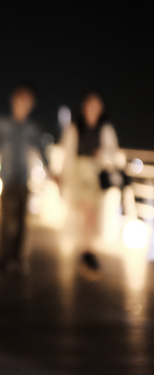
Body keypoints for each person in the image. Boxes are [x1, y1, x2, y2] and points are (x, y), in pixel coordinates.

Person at [0, 83, 47, 273]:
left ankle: (18, 258)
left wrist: (51, 171)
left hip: (24, 178)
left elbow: (42, 151)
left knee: (22, 220)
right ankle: (4, 258)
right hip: (7, 176)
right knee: (6, 218)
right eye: (21, 100)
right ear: (13, 101)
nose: (23, 105)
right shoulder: (0, 124)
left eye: (28, 102)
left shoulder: (32, 128)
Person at [58, 92, 119, 279]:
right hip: (78, 176)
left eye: (97, 106)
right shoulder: (74, 128)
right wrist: (62, 178)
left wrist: (103, 155)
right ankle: (87, 252)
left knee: (92, 212)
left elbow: (113, 153)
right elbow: (67, 155)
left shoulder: (106, 129)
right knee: (87, 210)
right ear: (84, 107)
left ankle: (87, 252)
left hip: (95, 176)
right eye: (90, 105)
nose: (93, 109)